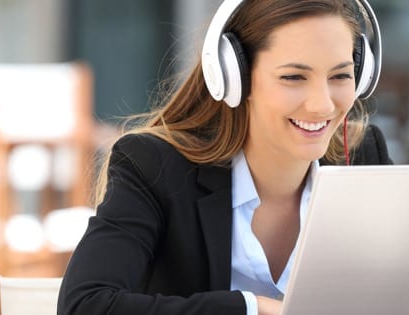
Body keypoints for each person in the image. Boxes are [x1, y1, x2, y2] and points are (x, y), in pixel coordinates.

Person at [57, 0, 391, 314]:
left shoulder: (362, 157)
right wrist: (252, 308)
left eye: (340, 76)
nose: (322, 104)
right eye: (293, 77)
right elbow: (86, 305)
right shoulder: (154, 167)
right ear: (237, 76)